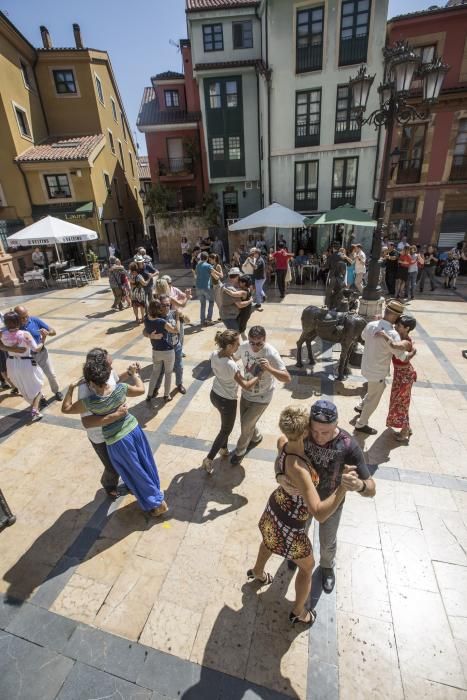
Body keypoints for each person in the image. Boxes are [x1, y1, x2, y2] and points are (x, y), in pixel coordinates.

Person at [247, 406, 353, 625]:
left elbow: (278, 442)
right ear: (305, 430)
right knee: (307, 566)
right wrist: (342, 487)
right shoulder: (301, 469)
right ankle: (299, 612)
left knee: (268, 540)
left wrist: (278, 473)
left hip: (276, 508)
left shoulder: (285, 444)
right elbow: (319, 513)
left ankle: (258, 572)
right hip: (291, 523)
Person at [278, 400, 375, 592]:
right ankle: (295, 555)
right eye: (315, 431)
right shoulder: (303, 434)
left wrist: (359, 485)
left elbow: (372, 488)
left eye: (326, 433)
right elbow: (282, 447)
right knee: (298, 533)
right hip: (303, 501)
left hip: (331, 504)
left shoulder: (348, 446)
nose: (319, 437)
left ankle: (327, 567)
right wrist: (280, 476)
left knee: (327, 541)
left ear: (336, 425)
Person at [62, 354, 168, 517]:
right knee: (145, 463)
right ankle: (154, 492)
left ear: (90, 382)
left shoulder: (90, 403)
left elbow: (66, 409)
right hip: (134, 430)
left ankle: (157, 502)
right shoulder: (120, 389)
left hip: (118, 442)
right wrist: (135, 375)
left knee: (135, 472)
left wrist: (70, 388)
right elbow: (140, 389)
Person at [230, 325, 291, 465]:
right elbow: (234, 357)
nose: (255, 346)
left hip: (263, 396)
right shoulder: (244, 346)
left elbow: (287, 378)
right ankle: (256, 437)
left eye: (259, 343)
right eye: (252, 342)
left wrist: (269, 368)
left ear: (265, 340)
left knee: (245, 425)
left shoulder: (271, 353)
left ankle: (239, 452)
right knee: (247, 423)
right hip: (246, 392)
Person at [202, 330, 259, 474]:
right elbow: (246, 385)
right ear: (228, 346)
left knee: (224, 424)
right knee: (226, 429)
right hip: (227, 401)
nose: (239, 346)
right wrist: (259, 373)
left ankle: (224, 449)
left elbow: (231, 358)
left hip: (214, 395)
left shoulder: (215, 354)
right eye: (237, 344)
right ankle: (209, 459)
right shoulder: (231, 366)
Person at [78, 348, 131, 499]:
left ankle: (128, 482)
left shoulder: (108, 372)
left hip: (117, 430)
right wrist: (115, 415)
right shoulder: (85, 388)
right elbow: (88, 422)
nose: (111, 366)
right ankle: (108, 485)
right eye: (109, 363)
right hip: (100, 437)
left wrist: (129, 373)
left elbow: (116, 381)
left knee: (123, 460)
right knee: (112, 467)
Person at [354, 299, 408, 435]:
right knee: (374, 398)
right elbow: (401, 356)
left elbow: (363, 337)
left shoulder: (371, 324)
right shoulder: (393, 334)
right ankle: (361, 424)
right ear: (395, 316)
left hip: (366, 367)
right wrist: (409, 346)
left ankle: (360, 406)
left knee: (374, 390)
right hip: (377, 372)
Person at [376, 315, 417, 442]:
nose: (395, 327)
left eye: (399, 326)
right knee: (400, 402)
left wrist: (384, 335)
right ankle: (407, 428)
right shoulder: (400, 336)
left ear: (407, 328)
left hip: (405, 377)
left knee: (401, 403)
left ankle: (404, 431)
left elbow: (394, 346)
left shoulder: (405, 342)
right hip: (399, 376)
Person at [0, 311, 45, 421]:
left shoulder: (1, 334)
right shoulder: (25, 334)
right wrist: (43, 338)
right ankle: (35, 410)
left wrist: (9, 349)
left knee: (23, 386)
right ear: (19, 322)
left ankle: (34, 405)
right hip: (25, 364)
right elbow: (36, 349)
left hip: (11, 364)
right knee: (38, 385)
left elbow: (1, 347)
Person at [14, 306, 62, 404]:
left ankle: (56, 391)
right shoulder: (14, 327)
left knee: (51, 374)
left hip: (42, 353)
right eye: (22, 318)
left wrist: (47, 332)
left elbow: (53, 331)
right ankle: (41, 398)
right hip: (27, 358)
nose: (25, 319)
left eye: (26, 316)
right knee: (34, 380)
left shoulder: (34, 320)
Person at [144, 298, 180, 403]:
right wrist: (177, 318)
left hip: (155, 351)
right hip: (168, 351)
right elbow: (176, 330)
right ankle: (166, 395)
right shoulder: (162, 322)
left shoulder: (146, 319)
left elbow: (145, 331)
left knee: (155, 373)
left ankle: (149, 395)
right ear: (159, 310)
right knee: (168, 373)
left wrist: (150, 336)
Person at [219, 267, 252, 332]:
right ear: (238, 277)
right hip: (229, 316)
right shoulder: (231, 288)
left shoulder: (225, 285)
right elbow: (240, 305)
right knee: (234, 335)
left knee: (237, 333)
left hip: (228, 314)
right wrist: (250, 301)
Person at [195, 252, 215, 327]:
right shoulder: (209, 266)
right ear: (207, 258)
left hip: (198, 287)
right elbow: (213, 274)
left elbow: (196, 274)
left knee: (202, 304)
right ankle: (209, 319)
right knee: (211, 301)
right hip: (206, 287)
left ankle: (202, 321)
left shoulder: (197, 265)